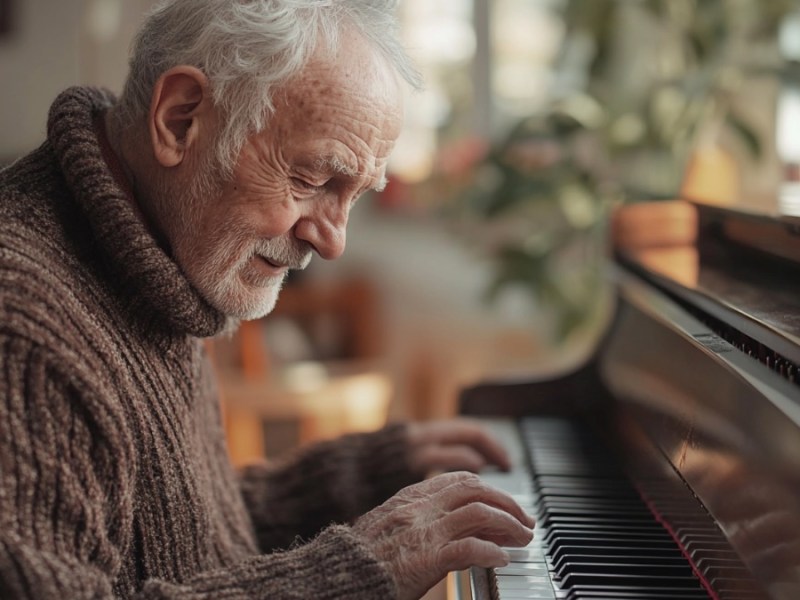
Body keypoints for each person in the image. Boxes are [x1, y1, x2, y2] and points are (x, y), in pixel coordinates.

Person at [0, 1, 535, 599]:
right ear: (179, 120)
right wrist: (352, 573)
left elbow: (175, 539)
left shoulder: (152, 253)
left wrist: (363, 473)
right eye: (311, 180)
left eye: (355, 195)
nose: (332, 241)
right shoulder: (22, 327)